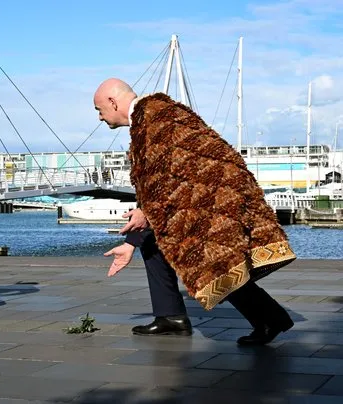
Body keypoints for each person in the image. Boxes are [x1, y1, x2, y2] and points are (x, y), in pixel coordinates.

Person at [95, 78, 296, 345]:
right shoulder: (152, 116)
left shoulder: (155, 117)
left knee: (215, 263)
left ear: (113, 102)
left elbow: (162, 177)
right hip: (208, 194)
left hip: (213, 199)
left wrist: (139, 225)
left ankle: (271, 320)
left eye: (99, 110)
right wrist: (134, 239)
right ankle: (170, 316)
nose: (100, 117)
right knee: (157, 244)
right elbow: (163, 171)